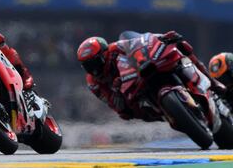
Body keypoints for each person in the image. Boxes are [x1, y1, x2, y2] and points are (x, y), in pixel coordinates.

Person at [76, 30, 224, 121]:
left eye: (96, 62)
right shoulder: (93, 82)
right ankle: (169, 114)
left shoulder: (116, 48)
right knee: (130, 113)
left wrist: (162, 37)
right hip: (132, 94)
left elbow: (141, 42)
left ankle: (212, 82)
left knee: (181, 48)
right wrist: (117, 93)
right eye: (89, 66)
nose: (94, 69)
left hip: (143, 70)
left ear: (104, 53)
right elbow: (113, 103)